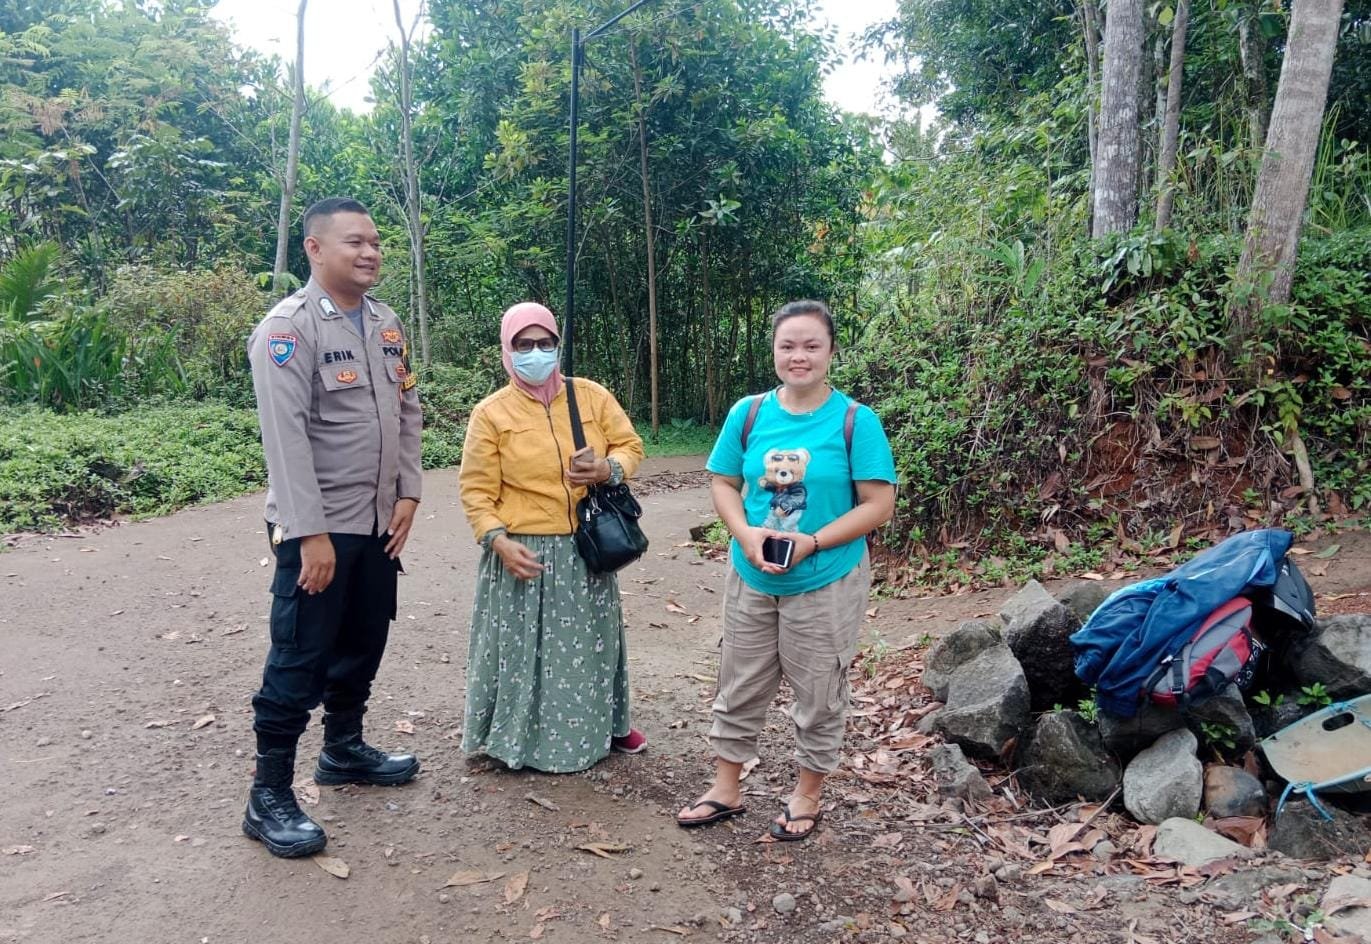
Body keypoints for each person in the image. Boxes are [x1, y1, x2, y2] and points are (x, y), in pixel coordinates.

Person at [242, 197, 423, 858]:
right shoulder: (288, 330)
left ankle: (344, 750)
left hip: (378, 524)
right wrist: (306, 532)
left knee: (363, 640)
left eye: (375, 241)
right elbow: (284, 441)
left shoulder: (384, 322)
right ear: (315, 249)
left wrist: (410, 490)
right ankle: (268, 798)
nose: (370, 252)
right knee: (299, 655)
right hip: (319, 529)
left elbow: (407, 407)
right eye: (354, 242)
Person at [676, 299, 896, 841]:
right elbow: (724, 483)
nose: (799, 356)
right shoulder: (748, 413)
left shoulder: (854, 422)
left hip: (826, 576)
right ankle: (726, 787)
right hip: (751, 573)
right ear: (774, 350)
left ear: (831, 352)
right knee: (739, 679)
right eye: (788, 346)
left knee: (819, 689)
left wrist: (813, 541)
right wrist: (745, 534)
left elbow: (878, 504)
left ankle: (807, 794)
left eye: (811, 346)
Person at [459, 302, 647, 773]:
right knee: (526, 650)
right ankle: (515, 737)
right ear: (508, 350)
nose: (536, 353)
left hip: (586, 546)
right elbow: (476, 490)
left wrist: (608, 468)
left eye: (546, 343)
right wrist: (497, 541)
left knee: (591, 645)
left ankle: (608, 725)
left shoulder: (591, 397)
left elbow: (631, 445)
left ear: (558, 346)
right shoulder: (491, 414)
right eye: (525, 345)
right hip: (524, 549)